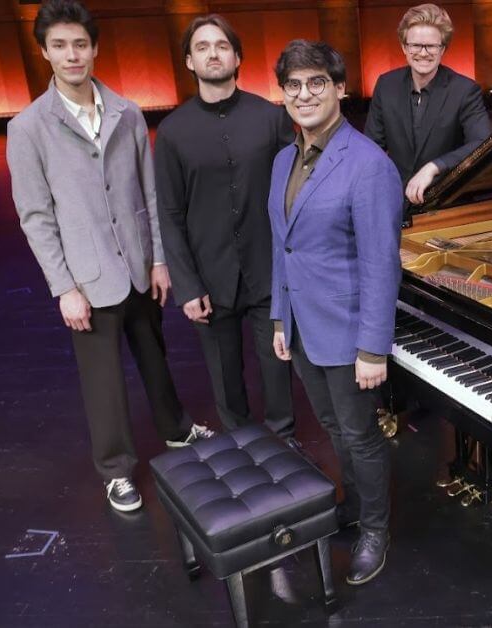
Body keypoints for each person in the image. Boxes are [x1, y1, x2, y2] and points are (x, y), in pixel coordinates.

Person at [6, 0, 211, 514]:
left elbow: (149, 194)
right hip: (87, 277)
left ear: (94, 48)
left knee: (155, 358)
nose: (71, 55)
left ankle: (177, 428)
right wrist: (64, 288)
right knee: (103, 383)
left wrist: (158, 259)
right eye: (59, 46)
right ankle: (116, 469)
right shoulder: (27, 128)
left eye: (80, 44)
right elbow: (36, 216)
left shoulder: (128, 112)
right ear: (45, 52)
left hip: (138, 265)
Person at [267, 40, 403, 586]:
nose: (304, 94)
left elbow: (380, 264)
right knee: (332, 428)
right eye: (293, 85)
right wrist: (280, 317)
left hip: (348, 333)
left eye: (317, 82)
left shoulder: (369, 165)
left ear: (341, 88)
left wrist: (373, 347)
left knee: (359, 434)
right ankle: (355, 503)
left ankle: (376, 530)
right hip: (303, 327)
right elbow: (282, 245)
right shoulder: (283, 160)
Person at [154, 14, 300, 446]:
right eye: (202, 47)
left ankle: (284, 442)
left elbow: (293, 194)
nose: (213, 54)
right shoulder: (172, 132)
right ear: (189, 61)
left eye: (221, 46)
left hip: (268, 269)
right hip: (209, 277)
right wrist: (187, 286)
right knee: (224, 376)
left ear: (237, 57)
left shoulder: (271, 118)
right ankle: (243, 447)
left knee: (277, 365)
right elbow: (169, 213)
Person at [364, 3, 490, 207]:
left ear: (443, 49)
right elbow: (371, 146)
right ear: (404, 48)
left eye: (431, 46)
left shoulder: (465, 90)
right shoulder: (386, 85)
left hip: (445, 201)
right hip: (394, 201)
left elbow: (481, 142)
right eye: (416, 45)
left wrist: (434, 167)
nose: (423, 53)